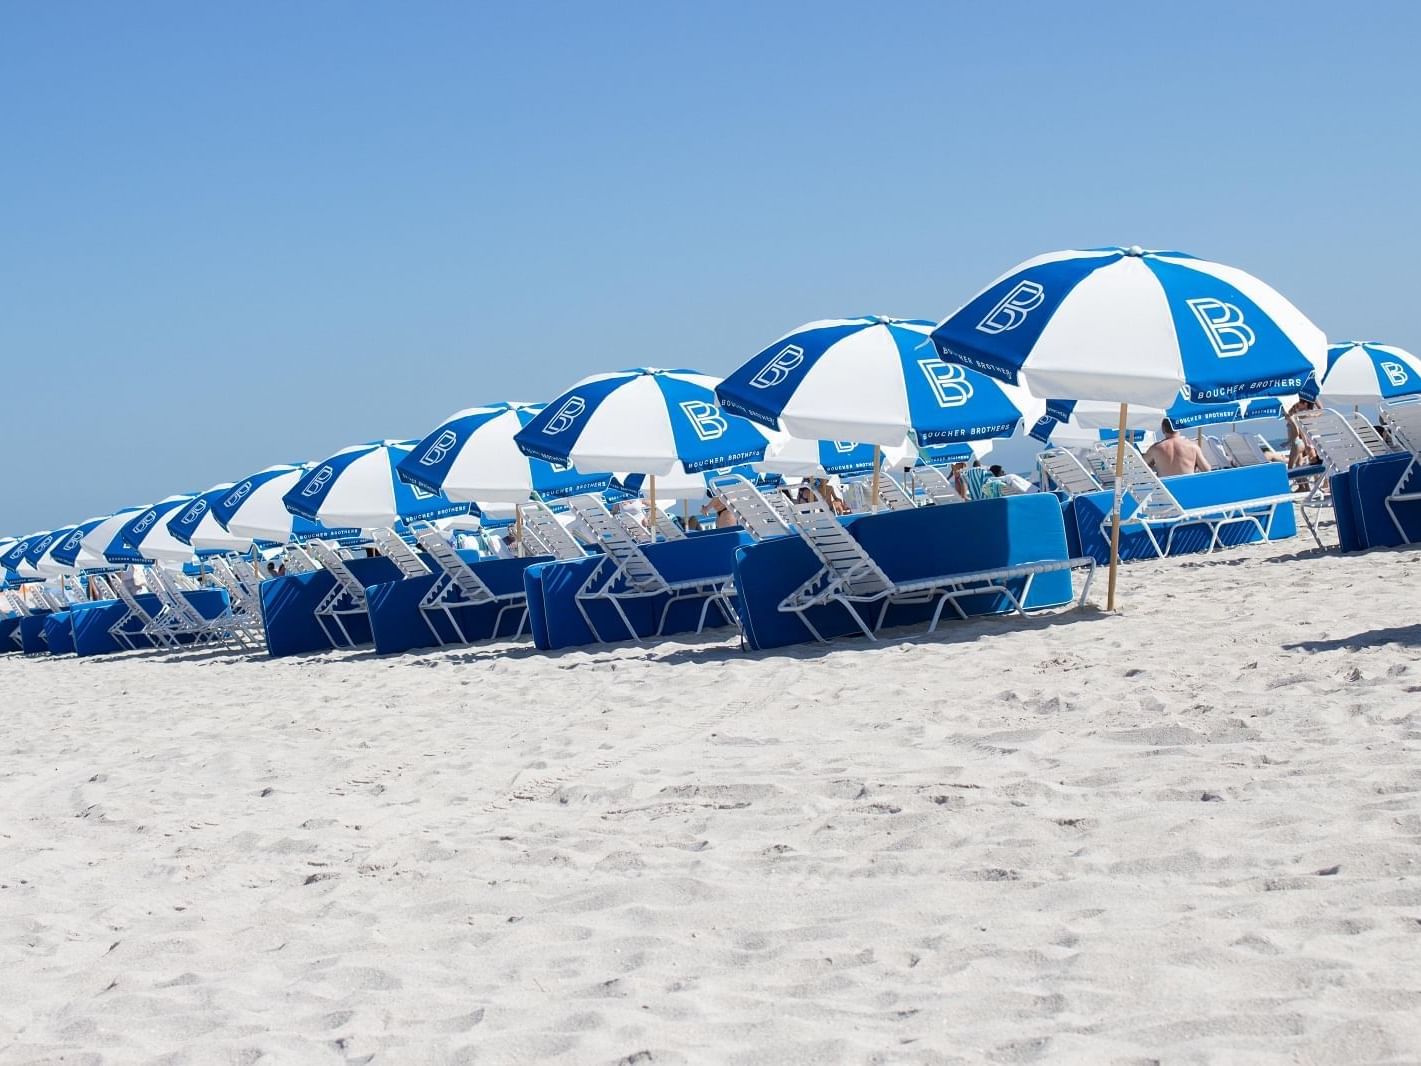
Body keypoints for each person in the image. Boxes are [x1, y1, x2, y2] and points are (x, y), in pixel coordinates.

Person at [1144, 417, 1211, 476]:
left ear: (1163, 429)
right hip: (1188, 485)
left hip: (1165, 488)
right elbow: (1207, 470)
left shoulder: (1155, 449)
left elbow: (1141, 467)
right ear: (1179, 427)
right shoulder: (1192, 446)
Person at [1285, 398, 1320, 468]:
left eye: (1299, 403)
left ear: (1305, 404)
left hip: (1304, 439)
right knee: (1301, 460)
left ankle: (1314, 464)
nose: (1297, 404)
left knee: (1306, 455)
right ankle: (1301, 478)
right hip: (1305, 439)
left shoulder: (1304, 414)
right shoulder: (1305, 413)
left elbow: (1299, 430)